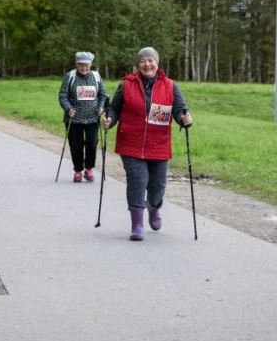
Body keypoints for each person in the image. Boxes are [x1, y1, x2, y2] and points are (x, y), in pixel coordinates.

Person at [102, 47, 192, 241]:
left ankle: (153, 206)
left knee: (158, 185)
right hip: (131, 142)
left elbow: (179, 109)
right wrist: (109, 119)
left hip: (158, 143)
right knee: (138, 180)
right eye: (143, 61)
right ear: (138, 64)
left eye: (150, 60)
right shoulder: (126, 85)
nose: (147, 64)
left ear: (157, 63)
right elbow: (114, 108)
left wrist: (185, 118)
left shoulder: (170, 85)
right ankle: (137, 225)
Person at [58, 51, 108, 182]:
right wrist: (68, 108)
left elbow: (103, 94)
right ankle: (78, 170)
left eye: (86, 65)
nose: (84, 68)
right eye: (81, 65)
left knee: (92, 143)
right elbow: (62, 95)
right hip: (74, 118)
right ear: (77, 64)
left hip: (92, 118)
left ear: (90, 65)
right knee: (76, 145)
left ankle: (89, 169)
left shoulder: (96, 76)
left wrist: (101, 107)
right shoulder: (70, 76)